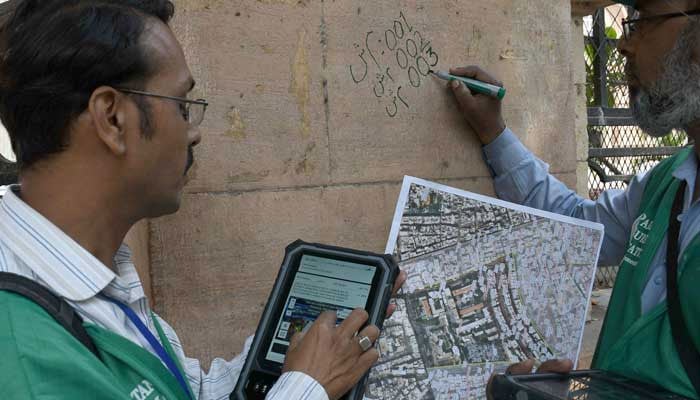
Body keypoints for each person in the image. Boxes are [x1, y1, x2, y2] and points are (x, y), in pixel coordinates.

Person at [0, 1, 406, 399]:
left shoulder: (95, 277)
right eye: (181, 106)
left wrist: (296, 348)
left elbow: (186, 391)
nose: (194, 133)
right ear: (112, 119)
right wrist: (308, 387)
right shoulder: (22, 350)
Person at [445, 0, 700, 398]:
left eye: (642, 20)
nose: (624, 46)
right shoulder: (667, 184)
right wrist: (495, 134)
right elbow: (572, 221)